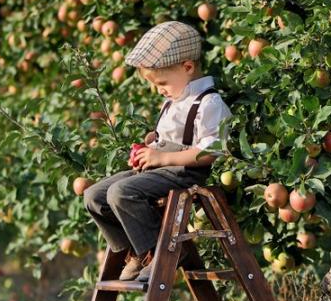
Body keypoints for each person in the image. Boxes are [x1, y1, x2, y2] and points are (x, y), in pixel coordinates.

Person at [83, 21, 231, 282]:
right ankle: (135, 250)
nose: (159, 89)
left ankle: (160, 252)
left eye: (162, 82)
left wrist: (163, 156)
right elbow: (168, 136)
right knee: (94, 195)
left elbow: (213, 151)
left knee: (121, 192)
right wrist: (151, 144)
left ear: (187, 67)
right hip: (160, 169)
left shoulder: (208, 102)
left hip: (185, 173)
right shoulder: (173, 100)